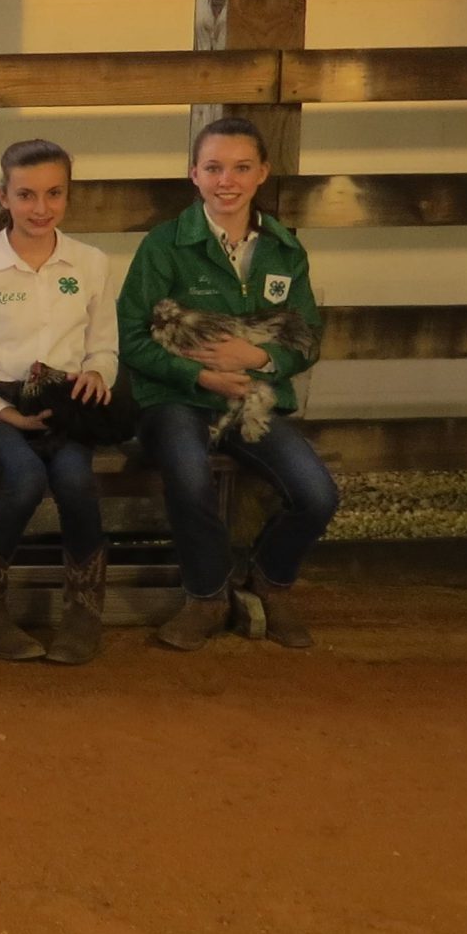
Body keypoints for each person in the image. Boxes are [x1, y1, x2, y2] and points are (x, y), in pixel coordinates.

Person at [118, 117, 337, 651]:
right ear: (194, 174)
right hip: (177, 400)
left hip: (251, 401)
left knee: (317, 494)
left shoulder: (285, 251)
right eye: (213, 168)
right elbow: (131, 338)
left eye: (241, 168)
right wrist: (199, 373)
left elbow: (307, 339)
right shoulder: (165, 245)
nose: (227, 181)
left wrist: (260, 356)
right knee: (189, 478)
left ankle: (270, 582)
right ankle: (207, 595)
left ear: (262, 173)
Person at [0, 139, 120, 665]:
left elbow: (104, 345)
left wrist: (98, 374)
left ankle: (84, 611)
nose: (41, 208)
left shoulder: (90, 262)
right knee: (24, 478)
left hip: (64, 403)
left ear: (68, 195)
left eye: (54, 194)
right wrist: (4, 412)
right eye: (27, 195)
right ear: (3, 196)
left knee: (76, 480)